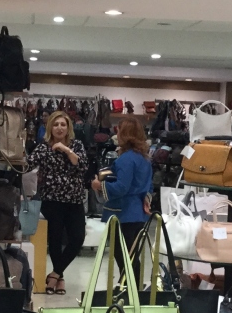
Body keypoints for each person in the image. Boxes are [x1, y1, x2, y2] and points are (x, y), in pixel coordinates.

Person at [28, 110, 88, 295]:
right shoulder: (43, 147)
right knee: (54, 240)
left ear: (68, 127)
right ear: (50, 127)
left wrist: (65, 149)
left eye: (63, 124)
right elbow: (29, 165)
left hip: (74, 200)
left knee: (77, 238)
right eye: (56, 124)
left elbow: (82, 165)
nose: (59, 128)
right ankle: (59, 279)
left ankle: (54, 274)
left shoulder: (77, 145)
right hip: (52, 200)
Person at [93, 116, 152, 252]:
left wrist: (99, 185)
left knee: (123, 257)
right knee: (132, 256)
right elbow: (149, 186)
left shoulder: (126, 159)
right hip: (138, 213)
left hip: (123, 213)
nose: (116, 135)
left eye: (118, 131)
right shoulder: (144, 158)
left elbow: (121, 187)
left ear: (125, 134)